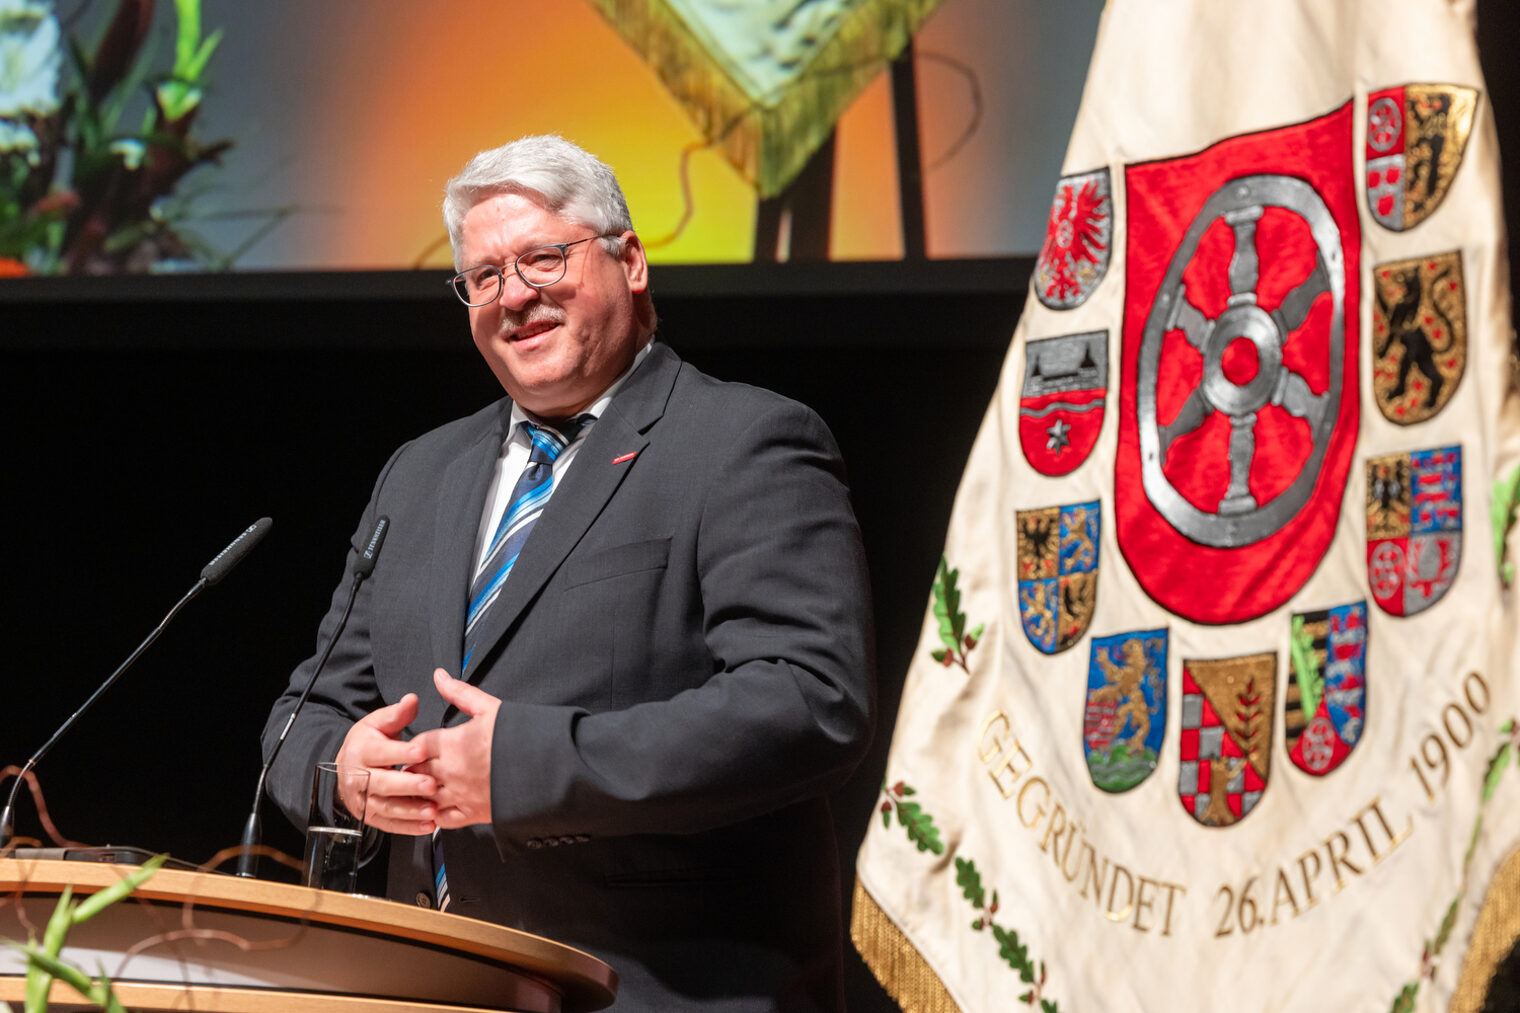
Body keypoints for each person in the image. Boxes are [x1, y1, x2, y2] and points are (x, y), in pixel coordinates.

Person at [260, 134, 875, 1012]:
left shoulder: (743, 443)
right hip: (428, 986)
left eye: (543, 257)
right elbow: (307, 712)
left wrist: (526, 765)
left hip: (655, 991)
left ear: (630, 262)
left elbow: (810, 703)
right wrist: (343, 769)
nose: (514, 295)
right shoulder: (421, 472)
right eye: (483, 277)